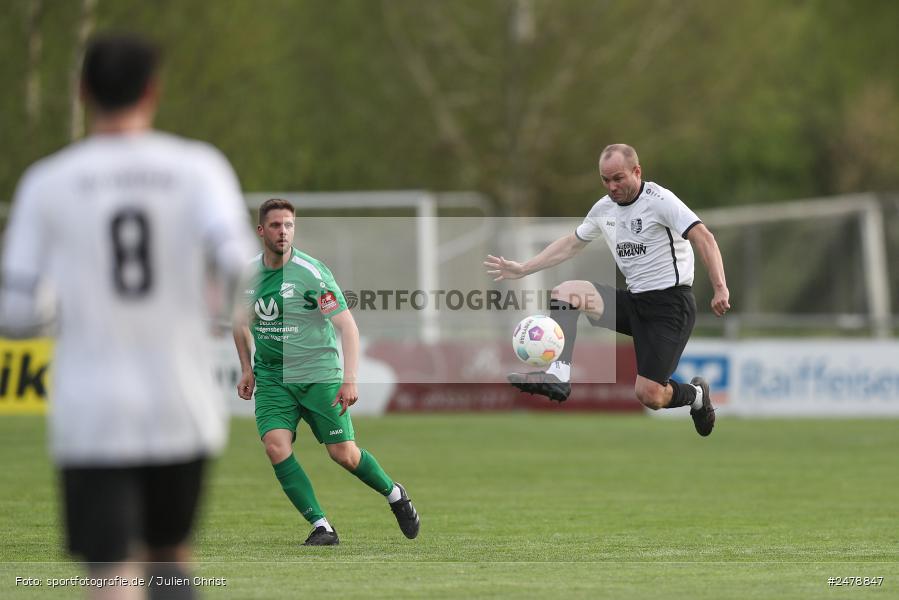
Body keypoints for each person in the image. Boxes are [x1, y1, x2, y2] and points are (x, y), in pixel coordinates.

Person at [0, 34, 254, 599]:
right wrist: (213, 306)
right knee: (170, 561)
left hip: (92, 409)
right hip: (180, 400)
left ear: (83, 91)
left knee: (112, 573)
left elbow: (15, 312)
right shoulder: (198, 168)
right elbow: (238, 265)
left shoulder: (48, 182)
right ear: (154, 90)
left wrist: (64, 305)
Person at [485, 144, 729, 437]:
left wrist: (720, 288)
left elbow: (704, 237)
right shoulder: (603, 209)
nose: (612, 186)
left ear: (637, 172)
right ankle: (558, 377)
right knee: (566, 292)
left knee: (650, 395)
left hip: (670, 307)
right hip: (634, 301)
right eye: (605, 180)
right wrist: (524, 268)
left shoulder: (660, 200)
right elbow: (571, 244)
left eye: (618, 178)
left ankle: (697, 397)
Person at [233, 198, 420, 546]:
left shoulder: (312, 273)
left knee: (343, 454)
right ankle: (321, 525)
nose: (283, 232)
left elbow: (347, 327)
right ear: (261, 231)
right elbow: (239, 323)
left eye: (288, 225)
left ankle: (394, 493)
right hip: (273, 377)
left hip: (318, 373)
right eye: (275, 225)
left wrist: (350, 378)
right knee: (275, 447)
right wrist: (247, 367)